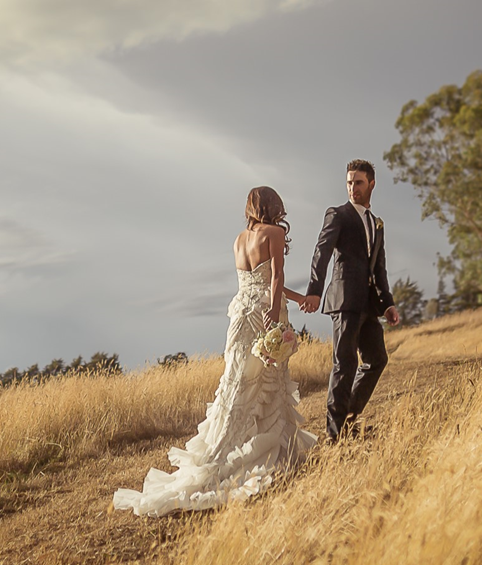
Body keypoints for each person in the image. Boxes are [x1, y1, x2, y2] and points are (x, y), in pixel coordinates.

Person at [113, 186, 319, 517]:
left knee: (237, 385)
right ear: (273, 206)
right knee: (267, 384)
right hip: (265, 313)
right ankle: (263, 456)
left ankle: (224, 450)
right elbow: (276, 277)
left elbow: (256, 282)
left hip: (241, 315)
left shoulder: (239, 240)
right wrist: (275, 311)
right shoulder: (274, 233)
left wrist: (299, 299)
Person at [299, 159, 401, 443]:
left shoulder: (377, 224)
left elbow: (379, 268)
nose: (353, 188)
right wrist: (314, 290)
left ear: (371, 184)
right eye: (349, 182)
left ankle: (348, 420)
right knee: (345, 365)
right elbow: (321, 252)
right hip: (344, 300)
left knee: (377, 359)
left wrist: (387, 303)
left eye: (358, 182)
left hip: (369, 304)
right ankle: (335, 435)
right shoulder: (338, 214)